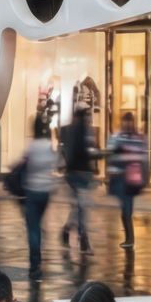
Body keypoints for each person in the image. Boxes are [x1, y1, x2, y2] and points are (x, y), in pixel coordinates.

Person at [20, 118, 59, 277]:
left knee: (33, 227)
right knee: (38, 224)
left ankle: (35, 263)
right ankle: (37, 259)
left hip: (33, 189)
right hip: (46, 191)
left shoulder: (32, 146)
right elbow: (55, 163)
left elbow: (25, 164)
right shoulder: (50, 146)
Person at [105, 111, 148, 249]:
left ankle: (130, 238)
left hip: (125, 178)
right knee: (126, 208)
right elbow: (142, 157)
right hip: (130, 177)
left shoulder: (119, 136)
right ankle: (130, 236)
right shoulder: (135, 137)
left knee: (126, 208)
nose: (128, 124)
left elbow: (111, 156)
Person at [58, 106, 97, 256]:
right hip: (80, 174)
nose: (87, 119)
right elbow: (85, 151)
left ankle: (67, 231)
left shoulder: (69, 130)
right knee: (82, 207)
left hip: (75, 173)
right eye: (86, 116)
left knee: (78, 206)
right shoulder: (83, 130)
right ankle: (83, 241)